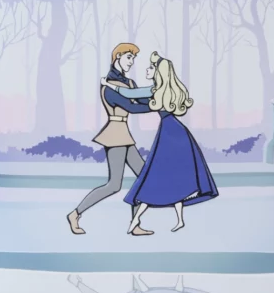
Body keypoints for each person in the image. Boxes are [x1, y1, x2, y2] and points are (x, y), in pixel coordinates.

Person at [118, 52, 218, 234]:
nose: (147, 70)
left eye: (151, 68)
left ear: (158, 72)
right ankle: (179, 220)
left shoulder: (155, 90)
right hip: (177, 131)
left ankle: (136, 219)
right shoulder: (166, 89)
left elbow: (129, 94)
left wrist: (109, 85)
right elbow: (138, 98)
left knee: (157, 174)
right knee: (174, 177)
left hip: (168, 133)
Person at [67, 43, 155, 236]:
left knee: (143, 178)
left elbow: (142, 100)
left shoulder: (129, 83)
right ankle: (75, 214)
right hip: (115, 134)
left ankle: (135, 223)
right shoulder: (108, 85)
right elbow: (131, 107)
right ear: (118, 57)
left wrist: (161, 98)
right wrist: (157, 106)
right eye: (129, 57)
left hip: (125, 134)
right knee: (114, 185)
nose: (132, 62)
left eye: (133, 58)